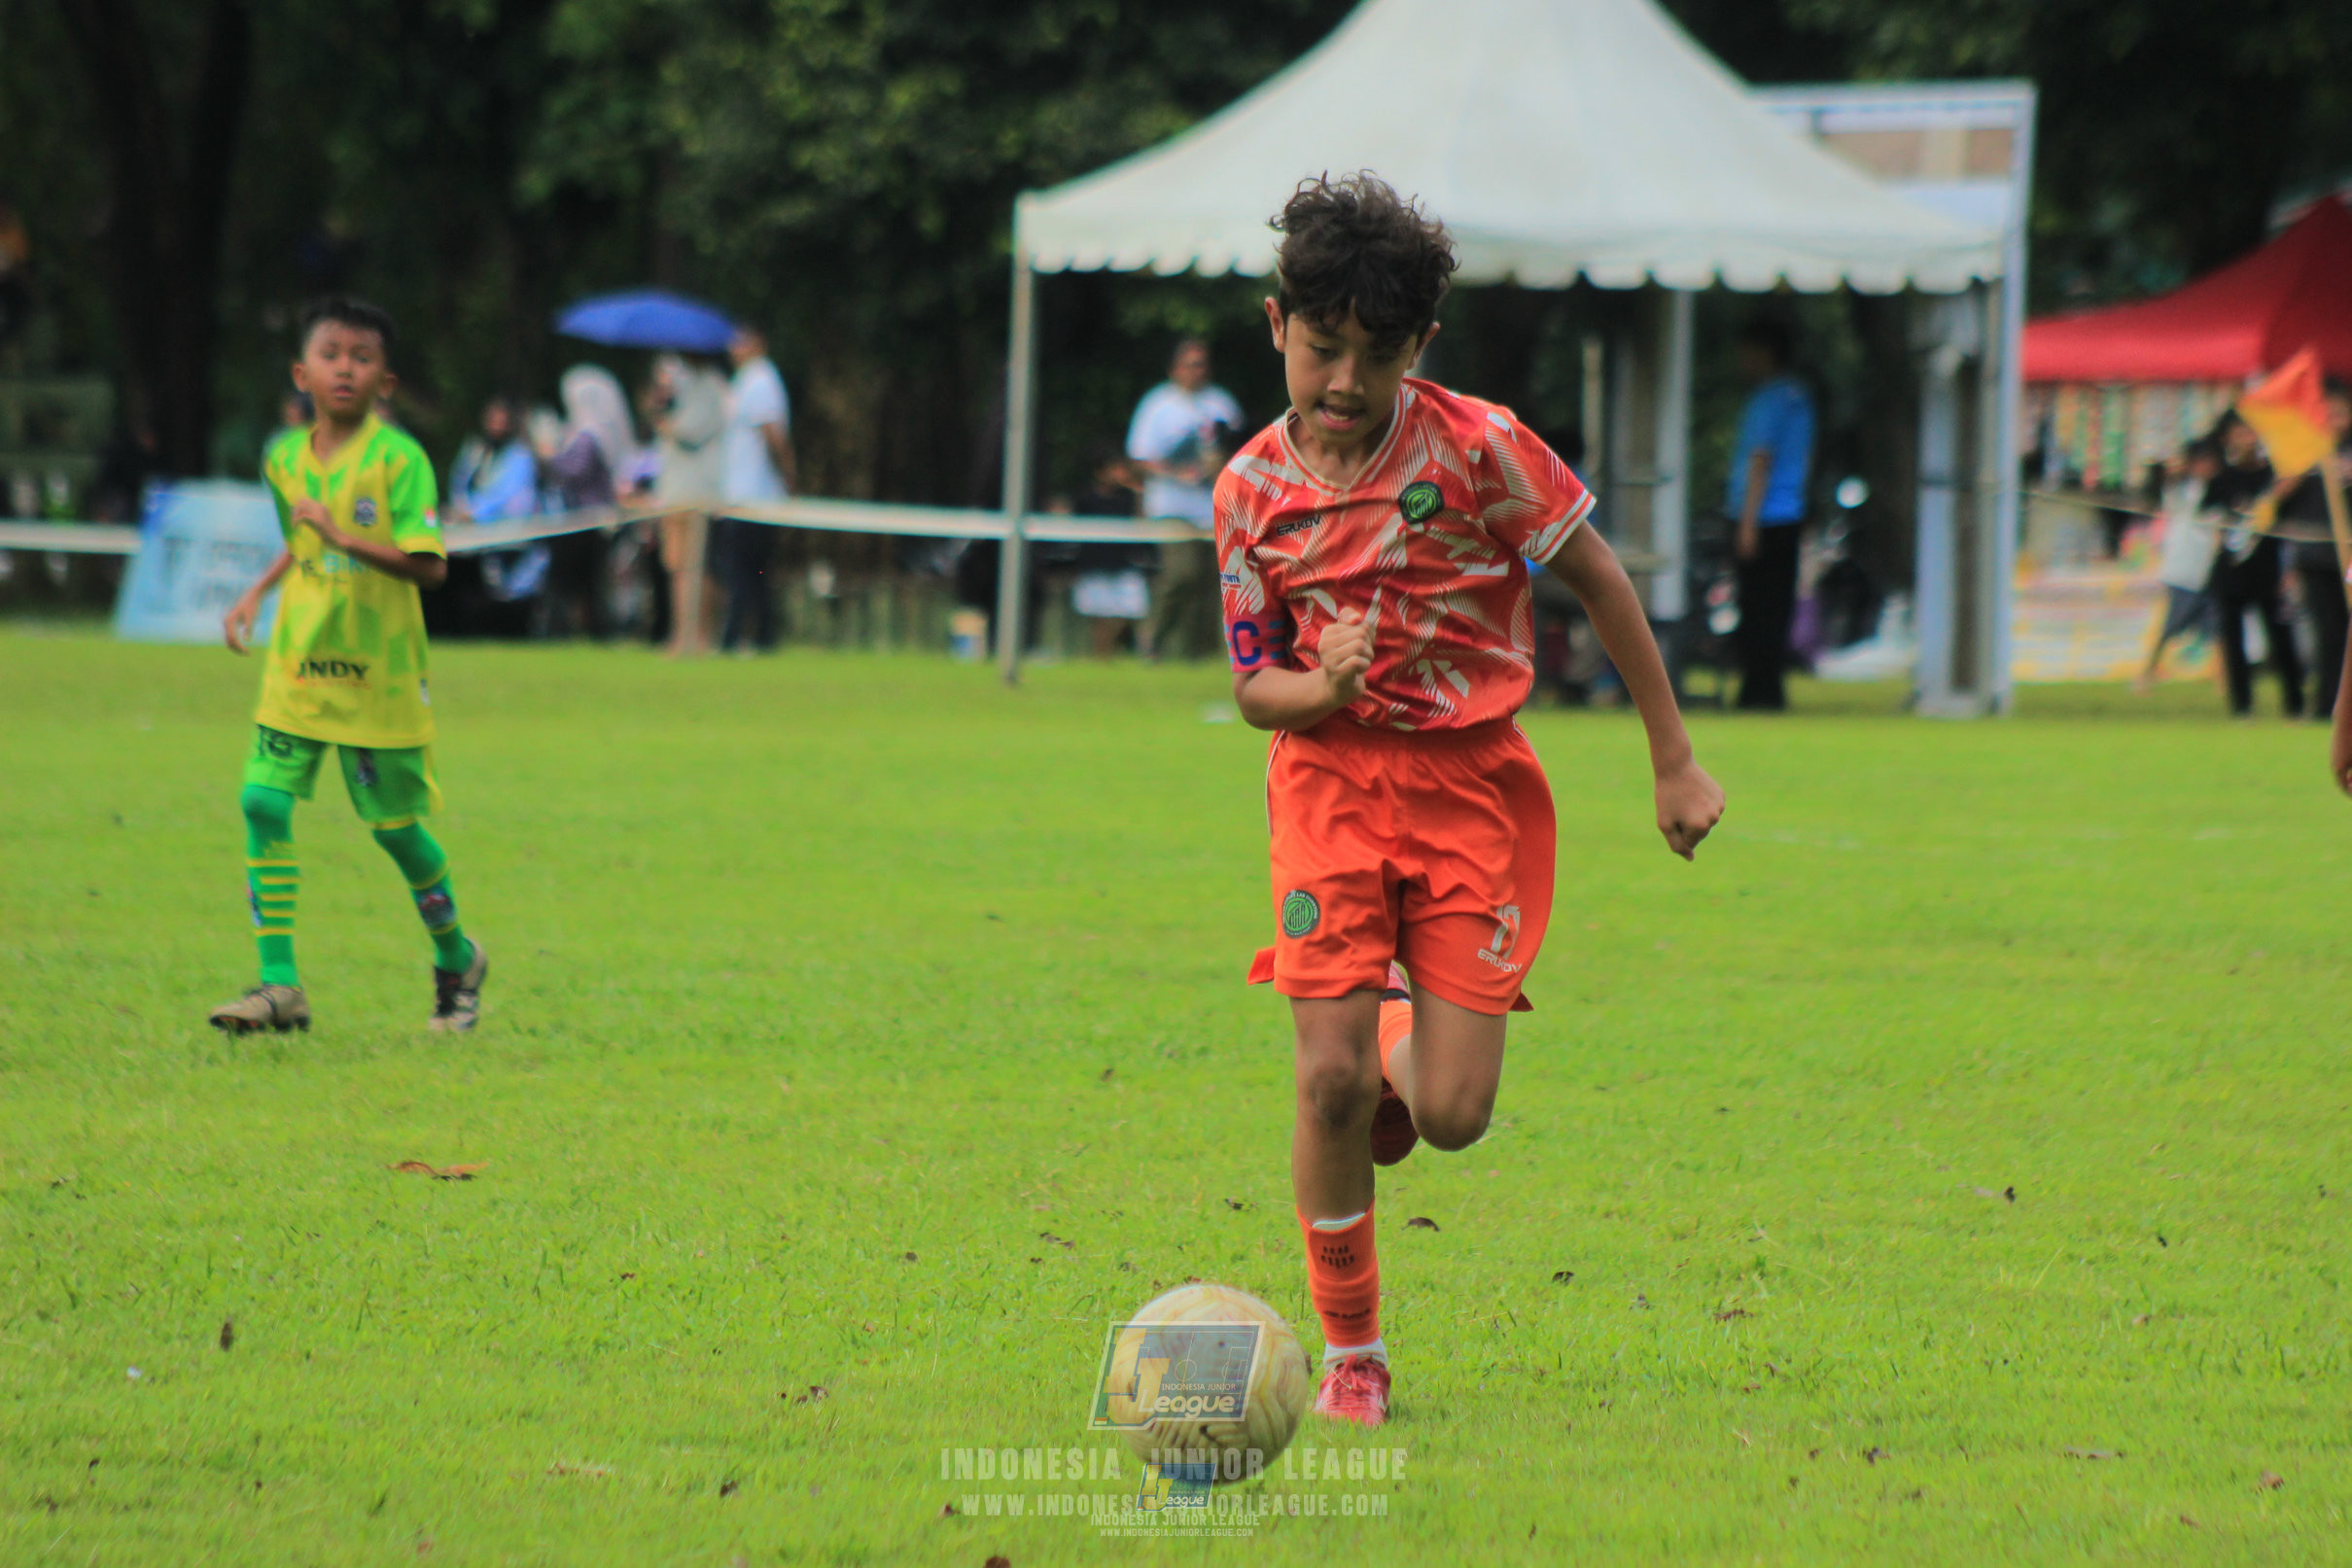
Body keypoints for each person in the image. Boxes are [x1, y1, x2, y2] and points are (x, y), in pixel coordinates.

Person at [1216, 175, 1724, 1428]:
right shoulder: (1245, 492)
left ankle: (1401, 1031)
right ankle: (1355, 1351)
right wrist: (1315, 686)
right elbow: (1249, 689)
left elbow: (1602, 585)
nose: (1343, 382)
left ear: (1418, 349)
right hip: (1328, 787)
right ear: (1275, 324)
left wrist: (1672, 759)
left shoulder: (1479, 447)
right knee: (1325, 1081)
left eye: (1375, 356)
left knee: (1449, 1115)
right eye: (1322, 348)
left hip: (1469, 787)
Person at [211, 297, 486, 1035]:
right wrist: (257, 591)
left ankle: (457, 957)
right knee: (261, 801)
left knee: (396, 829)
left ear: (384, 382)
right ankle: (278, 986)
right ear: (303, 372)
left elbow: (427, 567)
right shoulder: (284, 457)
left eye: (362, 357)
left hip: (379, 673)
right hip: (299, 664)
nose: (345, 368)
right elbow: (304, 542)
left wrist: (342, 534)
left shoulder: (401, 461)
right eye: (332, 354)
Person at [1130, 338, 1242, 658]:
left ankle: (1198, 653)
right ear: (1175, 368)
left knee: (1214, 582)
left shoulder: (1221, 403)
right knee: (1182, 573)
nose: (1197, 370)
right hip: (1170, 506)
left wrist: (1219, 464)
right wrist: (1177, 472)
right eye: (1191, 364)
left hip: (1214, 507)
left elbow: (1244, 450)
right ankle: (1151, 636)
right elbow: (1140, 459)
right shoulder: (1157, 405)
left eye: (1202, 364)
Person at [1725, 318, 1815, 711]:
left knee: (1755, 607)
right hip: (1790, 514)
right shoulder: (1801, 398)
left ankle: (1754, 692)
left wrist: (1747, 524)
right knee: (1778, 607)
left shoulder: (1767, 399)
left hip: (1762, 517)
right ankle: (1771, 689)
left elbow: (1760, 460)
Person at [2264, 379, 2352, 720]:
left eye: (2340, 413)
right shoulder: (2301, 451)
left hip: (2348, 554)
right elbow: (2275, 501)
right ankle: (2326, 704)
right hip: (2314, 557)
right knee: (2327, 633)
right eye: (2326, 413)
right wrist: (2295, 476)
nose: (2333, 419)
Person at [2205, 413, 2300, 717]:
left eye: (2250, 431)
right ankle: (2241, 705)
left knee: (2280, 635)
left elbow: (2289, 526)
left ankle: (2295, 703)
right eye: (2239, 432)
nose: (2246, 438)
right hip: (2230, 571)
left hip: (2268, 571)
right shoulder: (2221, 479)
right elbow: (2207, 519)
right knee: (2233, 639)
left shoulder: (2273, 477)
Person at [714, 325, 796, 653]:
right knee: (752, 568)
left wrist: (788, 475)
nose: (734, 347)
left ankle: (737, 635)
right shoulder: (745, 380)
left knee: (747, 568)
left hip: (755, 495)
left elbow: (772, 434)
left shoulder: (761, 380)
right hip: (741, 493)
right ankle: (761, 634)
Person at [538, 365, 632, 641]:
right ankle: (582, 628)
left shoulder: (590, 435)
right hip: (581, 517)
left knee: (580, 580)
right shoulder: (588, 432)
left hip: (586, 518)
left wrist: (549, 455)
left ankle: (580, 629)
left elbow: (575, 471)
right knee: (586, 581)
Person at [649, 353, 729, 656]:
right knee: (677, 567)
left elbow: (690, 431)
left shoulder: (709, 386)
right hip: (674, 491)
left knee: (698, 567)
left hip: (697, 491)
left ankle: (700, 636)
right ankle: (680, 634)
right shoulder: (685, 386)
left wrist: (664, 420)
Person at [2132, 437, 2223, 694]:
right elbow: (2168, 490)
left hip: (2210, 569)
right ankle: (2146, 674)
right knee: (2171, 627)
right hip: (2183, 569)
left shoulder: (2218, 490)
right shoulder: (2183, 490)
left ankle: (2222, 680)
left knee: (2218, 630)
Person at [1067, 449, 1146, 656]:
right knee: (1098, 619)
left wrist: (1138, 494)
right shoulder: (1085, 499)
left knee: (1130, 611)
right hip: (1094, 567)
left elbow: (1142, 524)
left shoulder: (1129, 498)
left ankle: (1112, 650)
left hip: (1124, 565)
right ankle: (1102, 659)